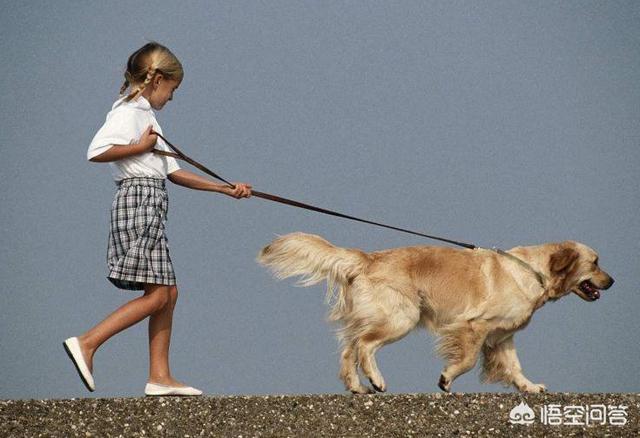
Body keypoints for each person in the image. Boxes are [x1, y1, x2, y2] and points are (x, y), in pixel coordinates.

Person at [63, 42, 252, 396]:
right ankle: (88, 343)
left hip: (150, 198)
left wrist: (225, 189)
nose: (172, 96)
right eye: (173, 89)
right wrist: (139, 147)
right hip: (139, 200)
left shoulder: (147, 116)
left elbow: (174, 173)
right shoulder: (130, 111)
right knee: (158, 296)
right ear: (158, 80)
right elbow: (97, 151)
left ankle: (159, 377)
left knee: (169, 292)